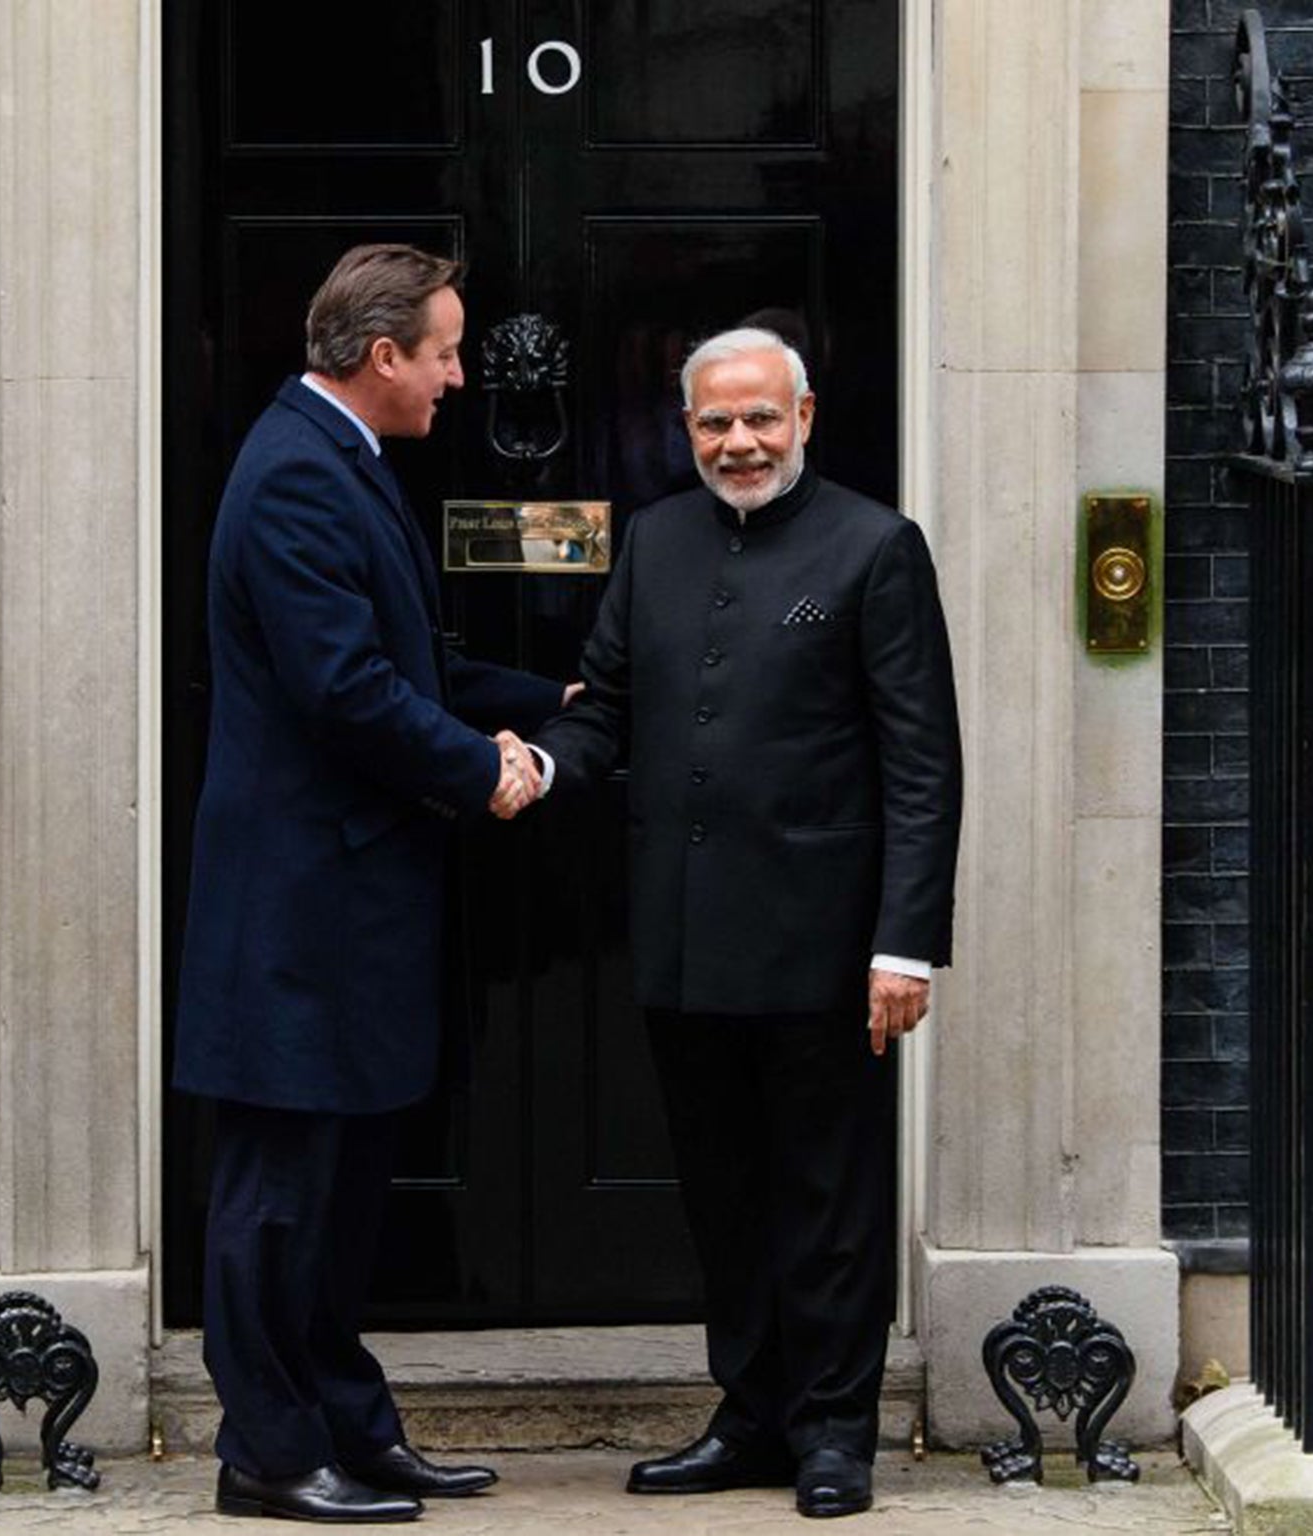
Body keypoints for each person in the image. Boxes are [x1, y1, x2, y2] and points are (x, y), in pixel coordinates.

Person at [529, 327, 962, 1519]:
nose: (738, 443)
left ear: (805, 416)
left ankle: (834, 1433)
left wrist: (903, 940)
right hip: (681, 939)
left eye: (759, 419)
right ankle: (752, 1414)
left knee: (826, 1198)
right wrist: (538, 768)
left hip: (827, 946)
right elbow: (604, 705)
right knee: (722, 1198)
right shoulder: (656, 540)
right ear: (687, 430)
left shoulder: (876, 548)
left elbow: (921, 763)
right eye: (715, 423)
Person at [174, 244, 567, 1524]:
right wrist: (481, 771)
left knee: (337, 1204)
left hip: (346, 907)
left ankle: (348, 1426)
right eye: (446, 351)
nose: (461, 375)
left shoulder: (340, 460)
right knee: (276, 1199)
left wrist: (544, 702)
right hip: (297, 913)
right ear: (383, 354)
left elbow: (410, 658)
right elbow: (343, 691)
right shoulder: (295, 474)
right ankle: (270, 1455)